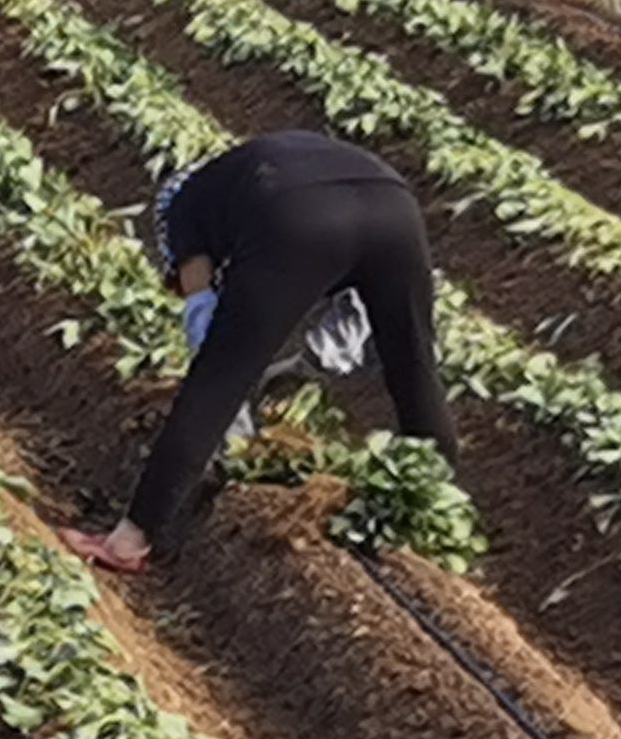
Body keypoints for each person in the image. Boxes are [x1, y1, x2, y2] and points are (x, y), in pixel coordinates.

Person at [66, 129, 457, 573]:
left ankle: (128, 542)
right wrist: (307, 364)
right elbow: (356, 314)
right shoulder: (246, 175)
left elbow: (207, 335)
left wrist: (238, 425)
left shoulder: (182, 215)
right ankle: (431, 520)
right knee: (415, 371)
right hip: (395, 208)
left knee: (216, 383)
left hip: (296, 214)